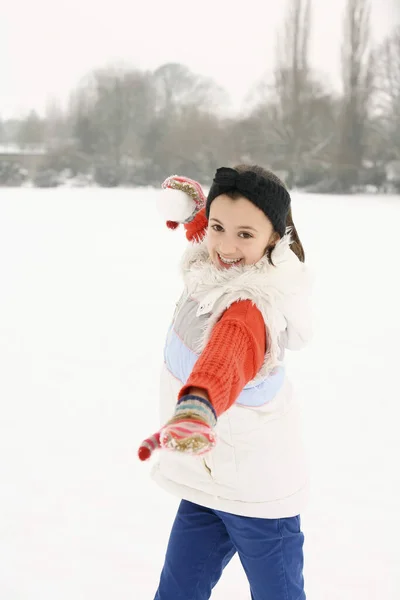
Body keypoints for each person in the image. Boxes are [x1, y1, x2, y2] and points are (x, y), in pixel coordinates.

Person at [138, 164, 312, 600]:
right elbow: (211, 238)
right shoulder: (215, 266)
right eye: (218, 227)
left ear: (274, 236)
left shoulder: (250, 307)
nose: (226, 246)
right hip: (206, 480)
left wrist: (196, 407)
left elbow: (224, 360)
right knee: (177, 592)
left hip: (257, 492)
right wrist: (197, 213)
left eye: (246, 235)